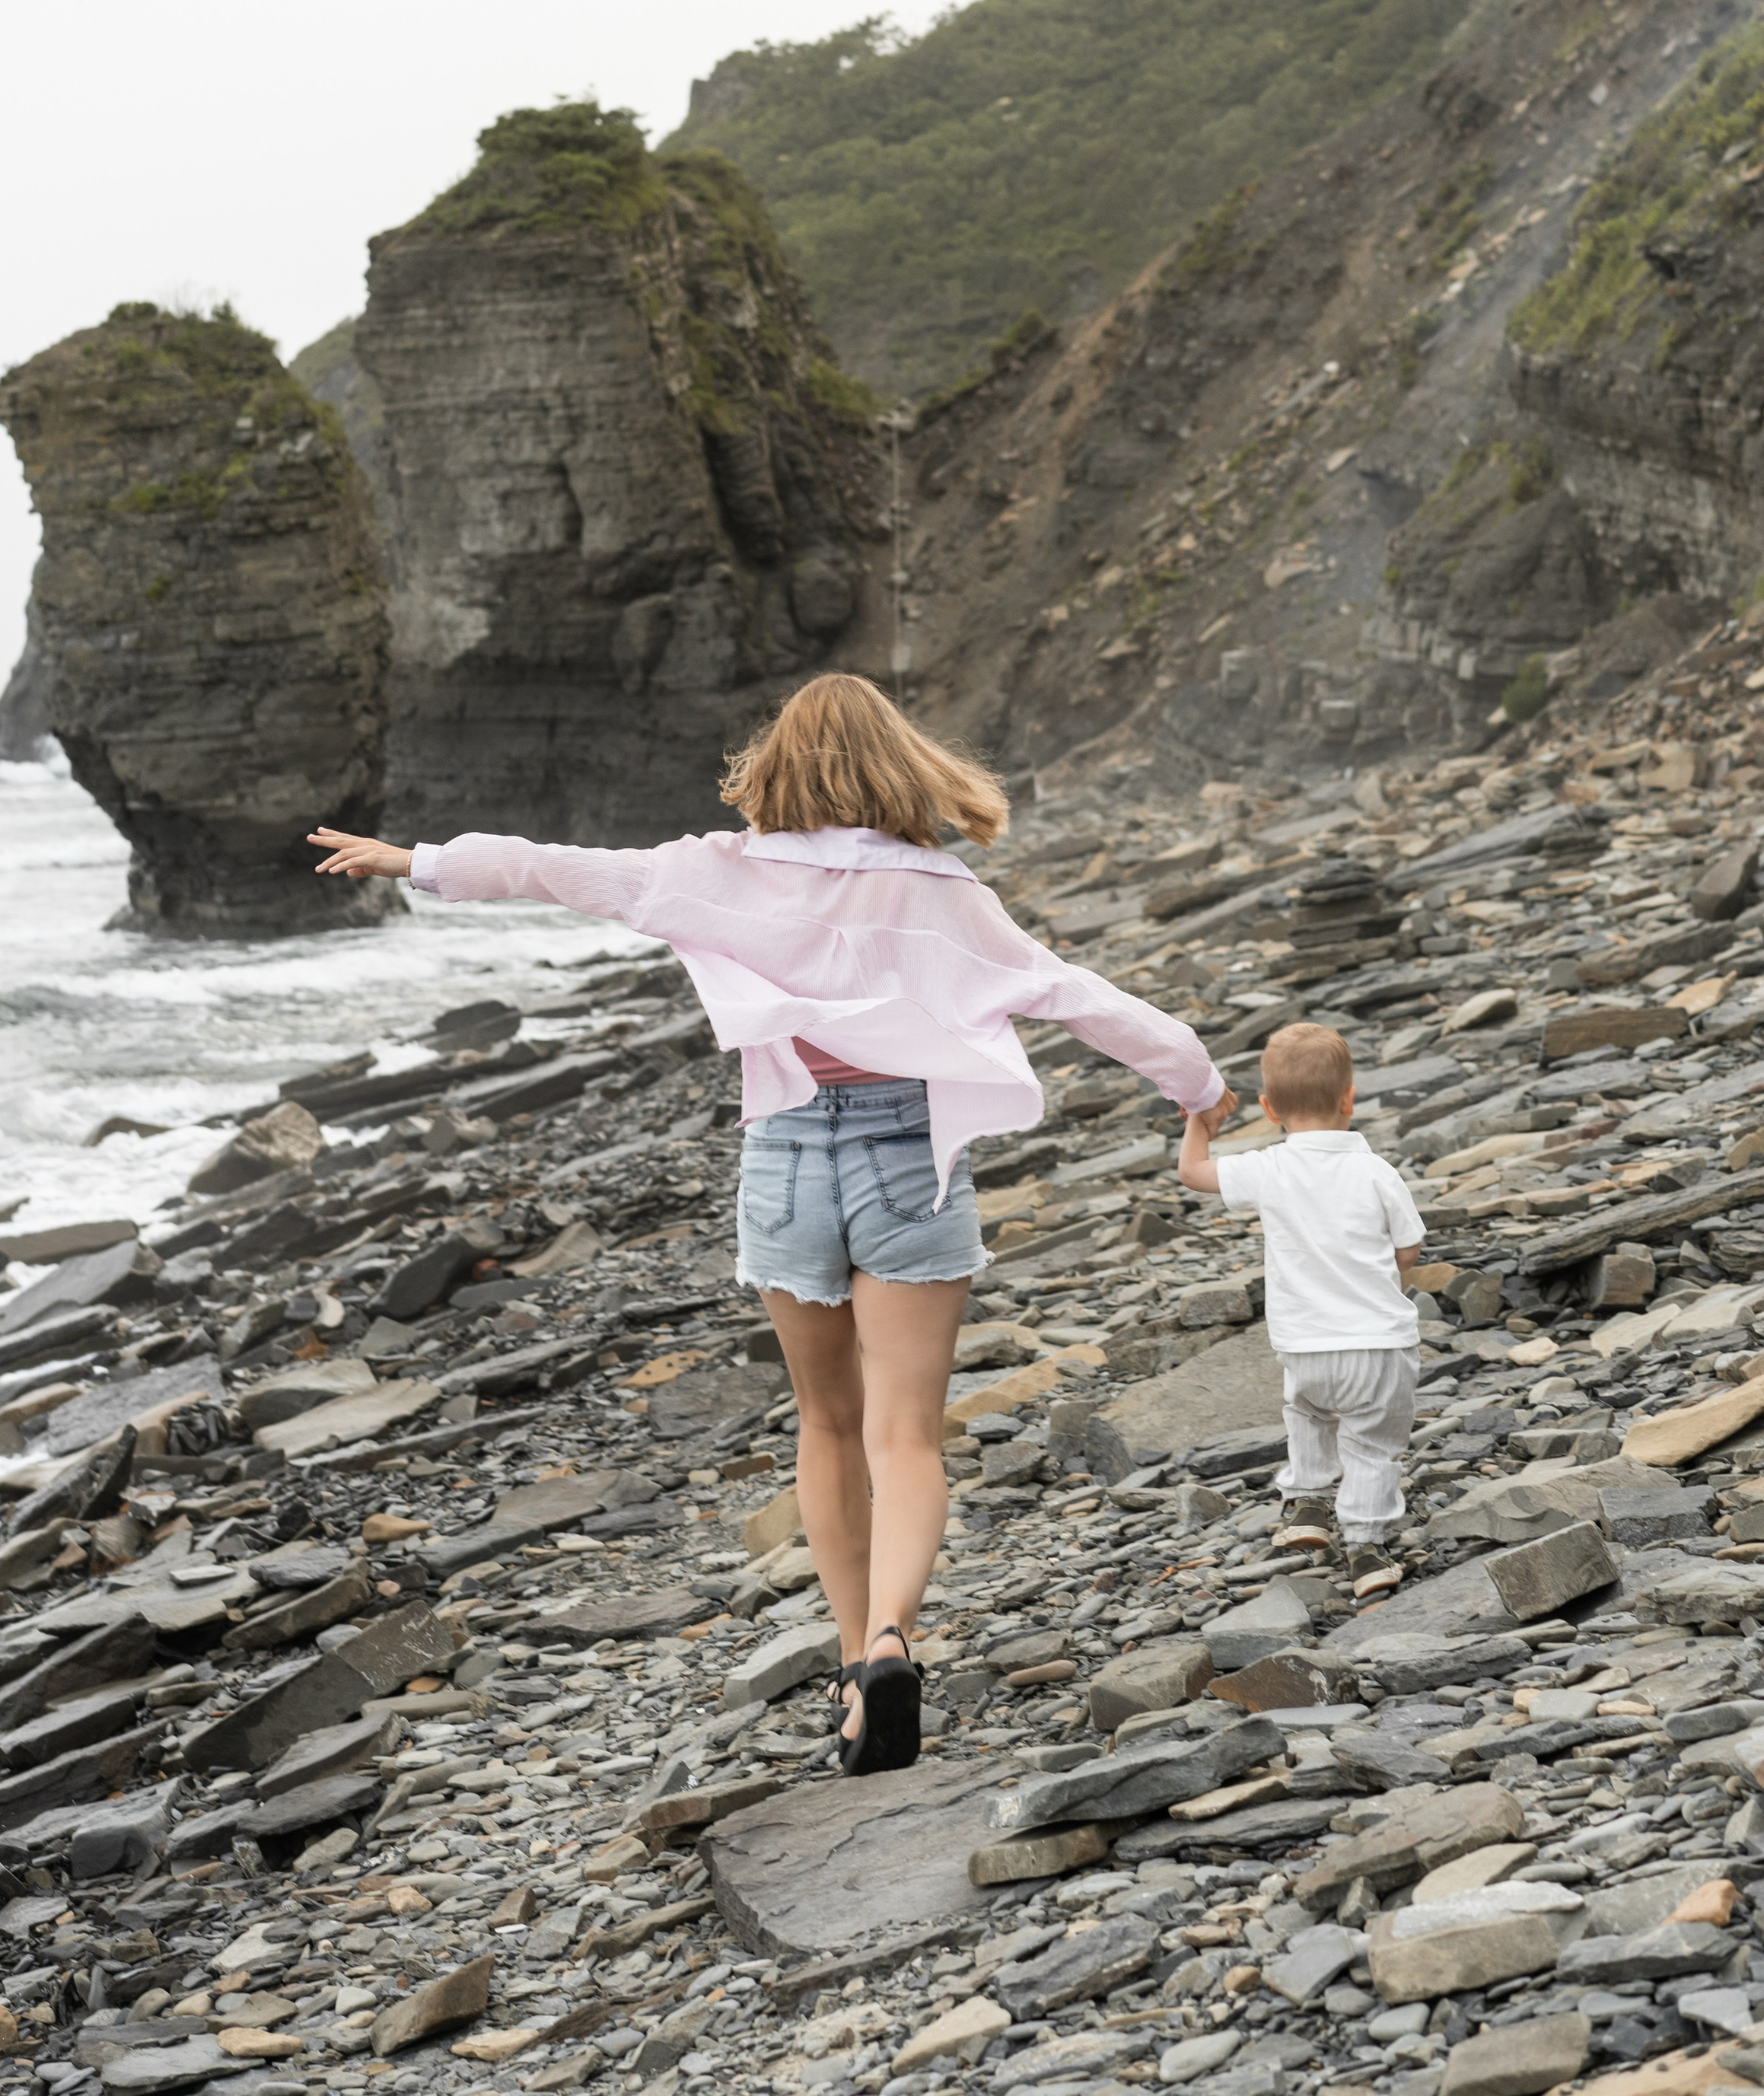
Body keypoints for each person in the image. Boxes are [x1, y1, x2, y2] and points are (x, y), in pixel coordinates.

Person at [311, 671, 1233, 1776]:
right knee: (905, 1434)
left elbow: (558, 870)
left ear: (778, 766)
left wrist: (418, 862)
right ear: (901, 763)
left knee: (825, 1424)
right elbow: (1077, 994)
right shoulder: (945, 892)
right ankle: (894, 1637)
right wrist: (1198, 1088)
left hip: (789, 1160)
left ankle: (855, 1669)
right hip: (909, 1162)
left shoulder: (715, 873)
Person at [1177, 1020, 1423, 1599]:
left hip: (1305, 1346)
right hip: (1379, 1345)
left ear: (1268, 1108)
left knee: (1308, 1415)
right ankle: (1366, 1547)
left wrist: (1199, 1121)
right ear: (1349, 1098)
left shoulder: (1269, 1168)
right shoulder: (1377, 1172)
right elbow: (1408, 1249)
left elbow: (1192, 1173)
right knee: (1371, 1445)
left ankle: (1308, 1502)